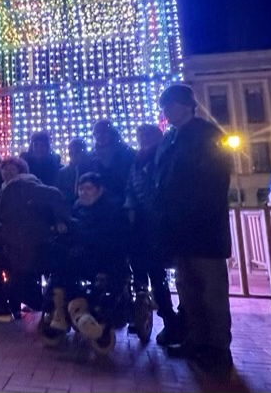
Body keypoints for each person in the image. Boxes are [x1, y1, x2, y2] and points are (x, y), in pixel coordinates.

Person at [154, 84, 233, 375]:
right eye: (165, 107)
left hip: (204, 228)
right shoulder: (171, 139)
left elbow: (214, 182)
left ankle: (218, 347)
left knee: (211, 290)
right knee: (188, 289)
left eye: (171, 105)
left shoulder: (207, 135)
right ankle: (197, 339)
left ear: (187, 105)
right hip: (179, 229)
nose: (167, 112)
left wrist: (191, 212)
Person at [0, 157, 70, 322]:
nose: (7, 171)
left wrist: (60, 220)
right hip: (15, 242)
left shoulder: (24, 185)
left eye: (11, 168)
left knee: (18, 283)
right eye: (4, 169)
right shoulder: (7, 189)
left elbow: (53, 195)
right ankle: (6, 306)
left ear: (20, 170)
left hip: (27, 245)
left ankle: (39, 307)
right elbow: (8, 223)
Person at [48, 173, 130, 333]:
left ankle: (84, 312)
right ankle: (62, 310)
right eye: (81, 189)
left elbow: (114, 241)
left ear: (99, 190)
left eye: (89, 189)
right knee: (58, 261)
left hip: (106, 258)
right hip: (84, 256)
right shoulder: (78, 208)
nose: (84, 192)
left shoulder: (112, 210)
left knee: (69, 265)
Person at [125, 124, 178, 344]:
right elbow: (130, 185)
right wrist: (130, 207)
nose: (143, 139)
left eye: (147, 135)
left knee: (157, 274)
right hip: (139, 223)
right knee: (138, 272)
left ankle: (169, 320)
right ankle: (141, 315)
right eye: (141, 136)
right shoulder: (138, 159)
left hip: (158, 223)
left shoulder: (164, 157)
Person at [83, 120, 136, 206]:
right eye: (97, 133)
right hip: (97, 203)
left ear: (113, 133)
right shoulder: (89, 157)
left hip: (122, 201)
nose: (100, 136)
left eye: (104, 132)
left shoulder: (127, 153)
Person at [56, 138, 89, 207]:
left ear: (84, 152)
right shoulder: (62, 173)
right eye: (71, 153)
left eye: (77, 152)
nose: (74, 155)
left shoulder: (92, 171)